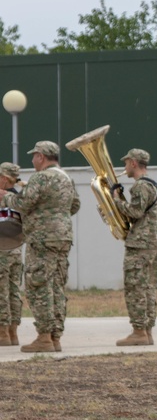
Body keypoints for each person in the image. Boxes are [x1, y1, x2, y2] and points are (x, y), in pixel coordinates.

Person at [0, 141, 80, 353]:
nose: (32, 160)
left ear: (41, 157)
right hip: (63, 237)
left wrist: (5, 196)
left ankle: (44, 336)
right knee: (56, 286)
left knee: (39, 285)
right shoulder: (65, 177)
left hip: (42, 238)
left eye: (34, 156)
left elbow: (23, 203)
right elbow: (75, 205)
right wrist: (55, 214)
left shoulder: (41, 177)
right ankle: (55, 337)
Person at [112, 148, 157, 346]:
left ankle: (139, 330)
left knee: (135, 288)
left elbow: (135, 212)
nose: (125, 168)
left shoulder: (141, 186)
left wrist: (115, 200)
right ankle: (146, 331)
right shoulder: (150, 185)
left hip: (141, 244)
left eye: (126, 163)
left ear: (133, 163)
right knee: (148, 288)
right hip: (150, 242)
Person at [0, 162, 24, 346]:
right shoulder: (21, 197)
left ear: (5, 178)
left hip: (2, 249)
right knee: (14, 291)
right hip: (17, 249)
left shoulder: (3, 197)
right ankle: (13, 333)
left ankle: (3, 334)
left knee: (2, 292)